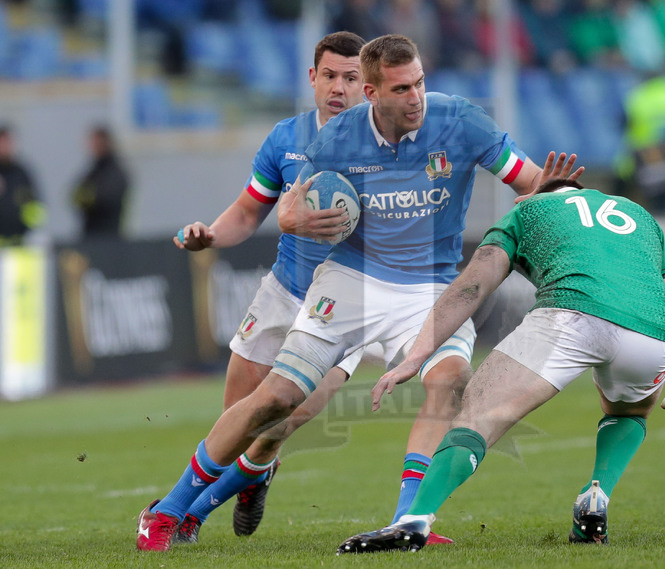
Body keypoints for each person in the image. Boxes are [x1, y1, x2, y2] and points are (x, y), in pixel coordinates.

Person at [136, 33, 582, 552]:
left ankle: (407, 521)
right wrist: (294, 218)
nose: (415, 97)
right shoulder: (336, 140)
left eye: (419, 83)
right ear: (372, 93)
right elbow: (286, 211)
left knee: (450, 382)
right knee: (275, 401)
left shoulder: (460, 120)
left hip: (433, 285)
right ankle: (167, 513)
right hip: (351, 280)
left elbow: (529, 179)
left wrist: (559, 196)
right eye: (400, 89)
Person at [337, 157, 665, 554]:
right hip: (652, 334)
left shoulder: (527, 211)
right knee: (628, 412)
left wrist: (418, 354)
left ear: (532, 197)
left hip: (571, 313)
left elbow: (472, 286)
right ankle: (596, 495)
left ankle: (413, 521)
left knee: (477, 417)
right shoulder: (639, 217)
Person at [167, 31, 368, 546]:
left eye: (351, 78)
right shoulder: (286, 138)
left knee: (283, 420)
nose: (339, 87)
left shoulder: (387, 149)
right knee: (235, 421)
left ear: (368, 85)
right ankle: (247, 478)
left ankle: (189, 513)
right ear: (312, 78)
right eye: (330, 76)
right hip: (283, 291)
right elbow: (246, 212)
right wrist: (210, 236)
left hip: (345, 306)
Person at [71, 125, 130, 239]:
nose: (92, 146)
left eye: (95, 142)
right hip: (90, 236)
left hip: (109, 237)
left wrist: (89, 197)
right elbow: (76, 195)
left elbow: (105, 198)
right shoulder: (93, 170)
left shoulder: (114, 172)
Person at [0, 125, 45, 246]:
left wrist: (29, 230)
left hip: (20, 244)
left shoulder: (22, 174)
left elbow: (36, 208)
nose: (4, 146)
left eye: (7, 142)